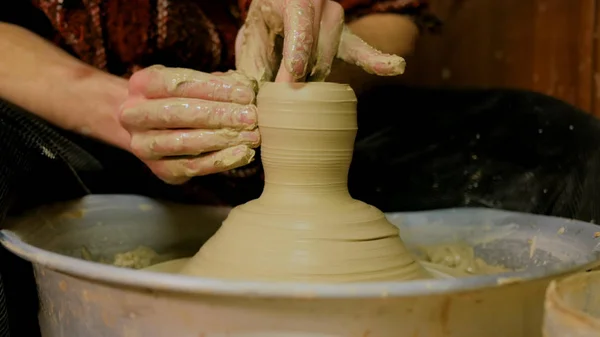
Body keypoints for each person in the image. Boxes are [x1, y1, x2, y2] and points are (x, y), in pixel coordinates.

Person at [0, 1, 441, 336]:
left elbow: (392, 16)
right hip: (75, 112)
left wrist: (305, 66)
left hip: (299, 113)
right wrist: (111, 103)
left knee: (500, 139)